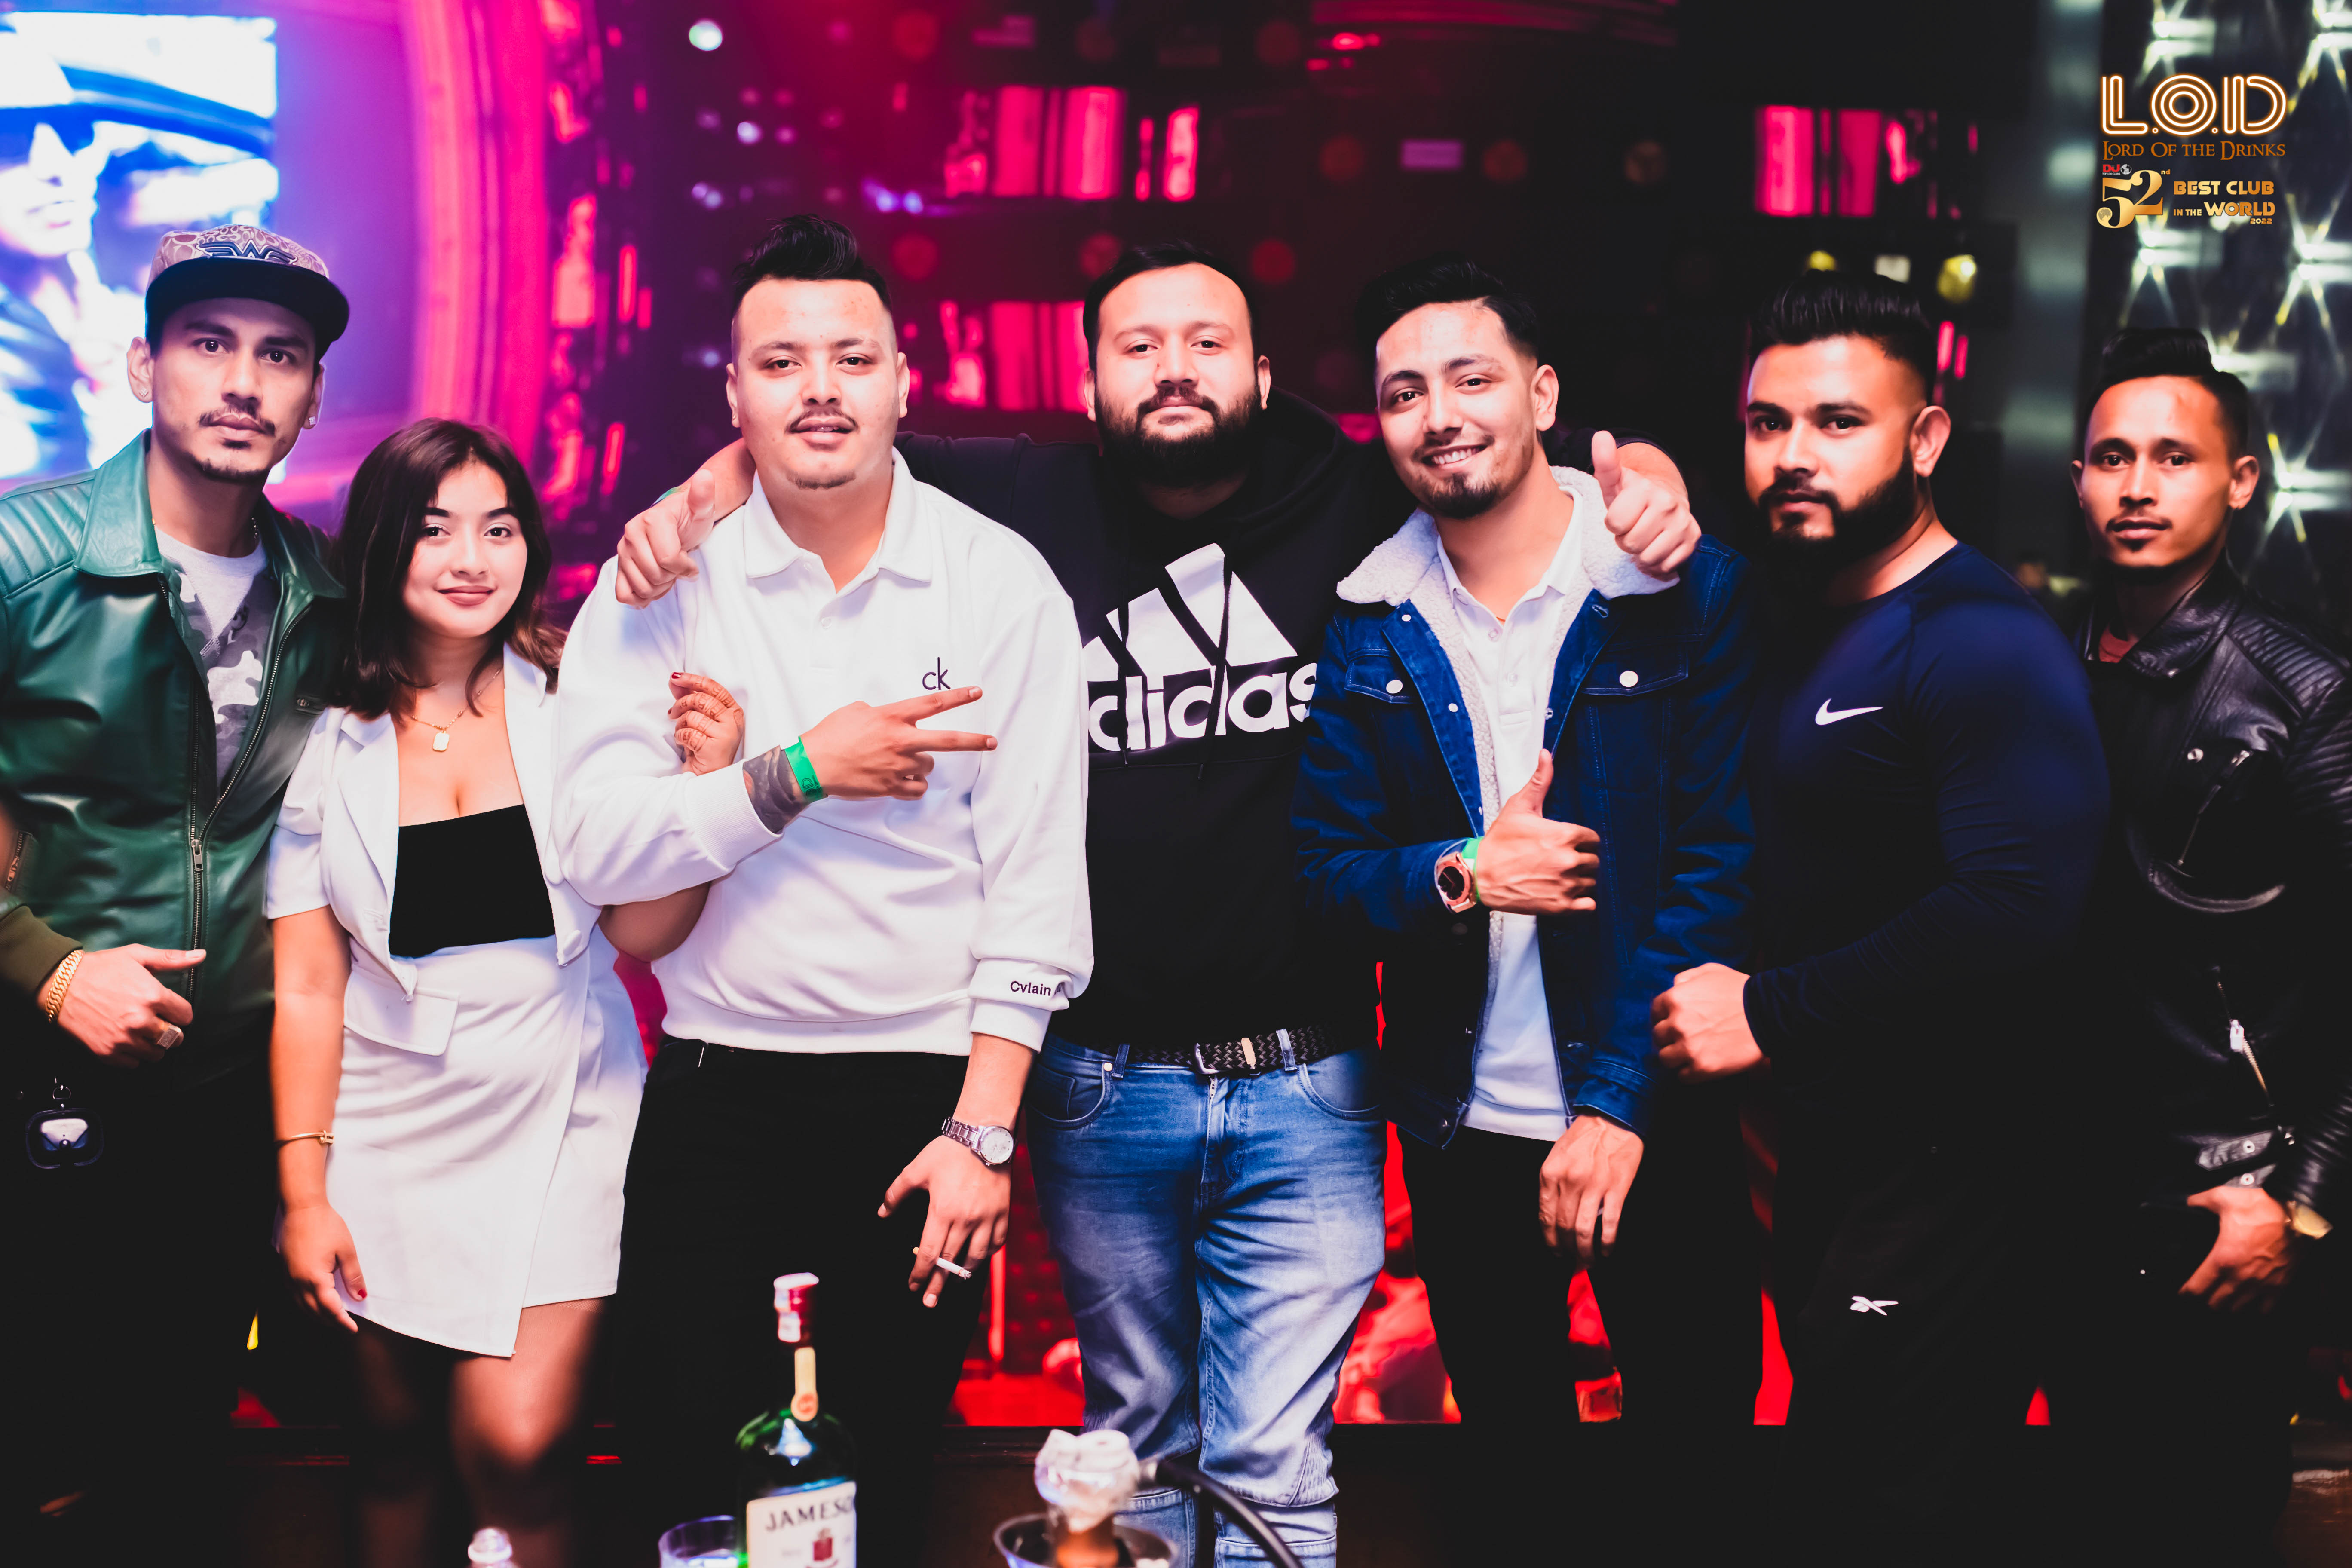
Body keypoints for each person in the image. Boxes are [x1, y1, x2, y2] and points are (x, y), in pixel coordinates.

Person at [611, 235, 1703, 1568]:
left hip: (1310, 1082)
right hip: (1100, 1086)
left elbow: (1524, 446)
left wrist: (1647, 474)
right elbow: (823, 434)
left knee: (1277, 1471)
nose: (1173, 369)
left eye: (1206, 343)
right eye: (1138, 347)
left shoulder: (1357, 484)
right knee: (1129, 1453)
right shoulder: (1024, 499)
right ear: (1089, 385)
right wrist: (696, 494)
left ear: (1264, 378)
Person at [552, 215, 1093, 1567]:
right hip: (715, 1093)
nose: (821, 390)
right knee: (693, 1480)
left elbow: (1035, 884)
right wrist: (789, 774)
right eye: (781, 362)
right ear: (734, 395)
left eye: (853, 358)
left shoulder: (998, 583)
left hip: (919, 1105)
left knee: (879, 1480)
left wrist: (981, 1136)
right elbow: (600, 853)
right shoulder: (662, 585)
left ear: (906, 379)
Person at [1291, 255, 1758, 1555]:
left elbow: (1720, 864)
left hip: (1656, 1117)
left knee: (1699, 1479)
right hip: (1464, 1138)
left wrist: (1615, 1103)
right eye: (1404, 394)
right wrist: (1461, 872)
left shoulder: (1675, 586)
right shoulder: (1368, 620)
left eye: (1472, 379)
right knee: (1517, 1490)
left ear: (1543, 395)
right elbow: (1323, 873)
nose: (1441, 415)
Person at [1650, 271, 2108, 1557]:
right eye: (1769, 423)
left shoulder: (1976, 640)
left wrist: (1768, 1012)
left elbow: (2020, 906)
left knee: (1890, 1512)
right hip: (1845, 1159)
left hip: (1953, 1170)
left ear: (1926, 438)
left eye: (1840, 422)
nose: (1795, 455)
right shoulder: (1807, 613)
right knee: (1847, 1493)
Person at [268, 420, 718, 1568]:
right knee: (390, 1451)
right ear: (382, 547)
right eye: (436, 531)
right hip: (381, 1127)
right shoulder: (321, 742)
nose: (472, 558)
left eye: (499, 528)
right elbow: (310, 986)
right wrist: (305, 1190)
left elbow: (643, 933)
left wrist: (703, 798)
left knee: (516, 1446)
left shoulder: (581, 706)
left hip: (565, 1106)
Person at [0, 223, 349, 1564]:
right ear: (144, 366)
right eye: (209, 344)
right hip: (35, 1086)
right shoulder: (25, 557)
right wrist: (46, 964)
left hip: (223, 1121)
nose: (244, 382)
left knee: (170, 1469)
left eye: (281, 355)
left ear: (312, 393)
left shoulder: (328, 592)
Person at [2047, 328, 2352, 1560]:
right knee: (2083, 1504)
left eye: (2175, 457)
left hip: (2223, 1204)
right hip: (2063, 1190)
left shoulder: (2306, 690)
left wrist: (2301, 1204)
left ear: (2240, 480)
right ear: (2078, 480)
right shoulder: (2042, 664)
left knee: (2205, 1519)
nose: (2138, 485)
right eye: (2113, 457)